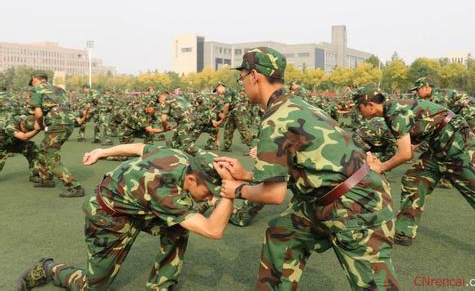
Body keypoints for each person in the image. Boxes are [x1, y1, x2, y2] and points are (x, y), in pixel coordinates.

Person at [217, 47, 399, 290]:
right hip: (326, 197)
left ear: (254, 76)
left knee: (375, 284)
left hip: (358, 205)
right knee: (282, 233)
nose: (242, 84)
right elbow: (303, 166)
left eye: (242, 77)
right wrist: (247, 175)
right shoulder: (294, 104)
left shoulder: (276, 118)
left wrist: (236, 190)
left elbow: (274, 194)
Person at [17, 143, 235, 290]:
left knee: (179, 226)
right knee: (93, 286)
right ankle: (47, 268)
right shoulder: (164, 191)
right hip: (109, 217)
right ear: (191, 179)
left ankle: (161, 285)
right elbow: (213, 230)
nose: (210, 197)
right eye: (208, 192)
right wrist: (230, 194)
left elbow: (139, 147)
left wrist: (103, 151)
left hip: (140, 208)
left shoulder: (178, 157)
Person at [352, 85, 475, 275]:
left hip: (457, 146)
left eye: (360, 107)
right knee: (414, 179)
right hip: (437, 145)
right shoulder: (392, 110)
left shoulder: (394, 112)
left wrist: (381, 166)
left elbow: (405, 155)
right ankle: (404, 230)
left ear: (370, 105)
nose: (359, 111)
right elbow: (422, 129)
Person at [30, 71, 85, 197]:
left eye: (32, 81)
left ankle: (74, 187)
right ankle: (46, 178)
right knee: (43, 149)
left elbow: (38, 113)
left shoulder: (37, 89)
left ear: (35, 79)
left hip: (56, 123)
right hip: (68, 122)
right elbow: (68, 107)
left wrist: (39, 123)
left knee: (50, 157)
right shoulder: (59, 90)